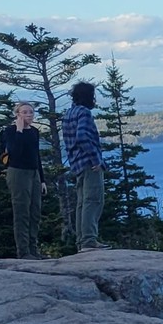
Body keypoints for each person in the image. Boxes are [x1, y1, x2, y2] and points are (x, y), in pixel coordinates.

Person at [60, 80, 106, 251]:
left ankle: (81, 241)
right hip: (89, 164)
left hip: (76, 164)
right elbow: (82, 137)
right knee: (93, 200)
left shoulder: (69, 113)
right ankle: (89, 240)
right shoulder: (84, 113)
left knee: (81, 202)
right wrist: (96, 161)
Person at [0, 101, 47, 258]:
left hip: (33, 174)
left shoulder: (34, 131)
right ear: (17, 114)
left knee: (35, 212)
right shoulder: (9, 131)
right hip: (18, 173)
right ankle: (23, 252)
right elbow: (14, 153)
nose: (29, 115)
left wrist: (42, 179)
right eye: (25, 112)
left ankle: (33, 249)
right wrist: (19, 130)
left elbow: (36, 156)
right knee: (21, 212)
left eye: (31, 112)